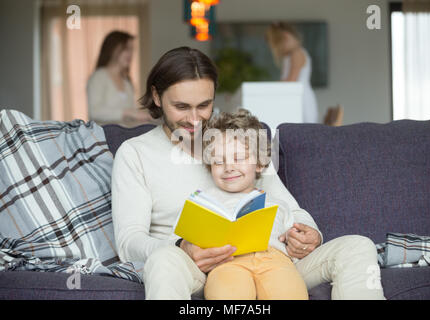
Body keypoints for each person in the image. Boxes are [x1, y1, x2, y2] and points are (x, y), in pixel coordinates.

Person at [111, 46, 385, 300]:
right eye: (182, 107)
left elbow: (290, 209)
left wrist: (307, 233)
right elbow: (129, 240)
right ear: (157, 96)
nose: (194, 119)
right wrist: (182, 247)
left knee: (357, 246)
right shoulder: (136, 153)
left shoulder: (238, 141)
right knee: (162, 260)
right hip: (198, 268)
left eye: (204, 105)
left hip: (271, 261)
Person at [201, 108, 308, 300]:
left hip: (275, 260)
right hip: (227, 263)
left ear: (259, 163)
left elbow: (297, 236)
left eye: (239, 158)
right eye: (218, 162)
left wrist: (295, 239)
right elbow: (184, 236)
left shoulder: (277, 202)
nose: (228, 167)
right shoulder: (205, 199)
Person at [87, 30, 157, 127]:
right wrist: (127, 113)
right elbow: (95, 112)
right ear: (112, 49)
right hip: (104, 138)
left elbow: (130, 120)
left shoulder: (127, 82)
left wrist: (145, 121)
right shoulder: (98, 77)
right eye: (126, 49)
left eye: (132, 49)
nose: (130, 54)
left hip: (124, 138)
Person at [265, 22, 319, 123]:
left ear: (286, 37)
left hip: (301, 100)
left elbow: (291, 81)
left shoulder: (296, 54)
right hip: (297, 99)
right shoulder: (290, 56)